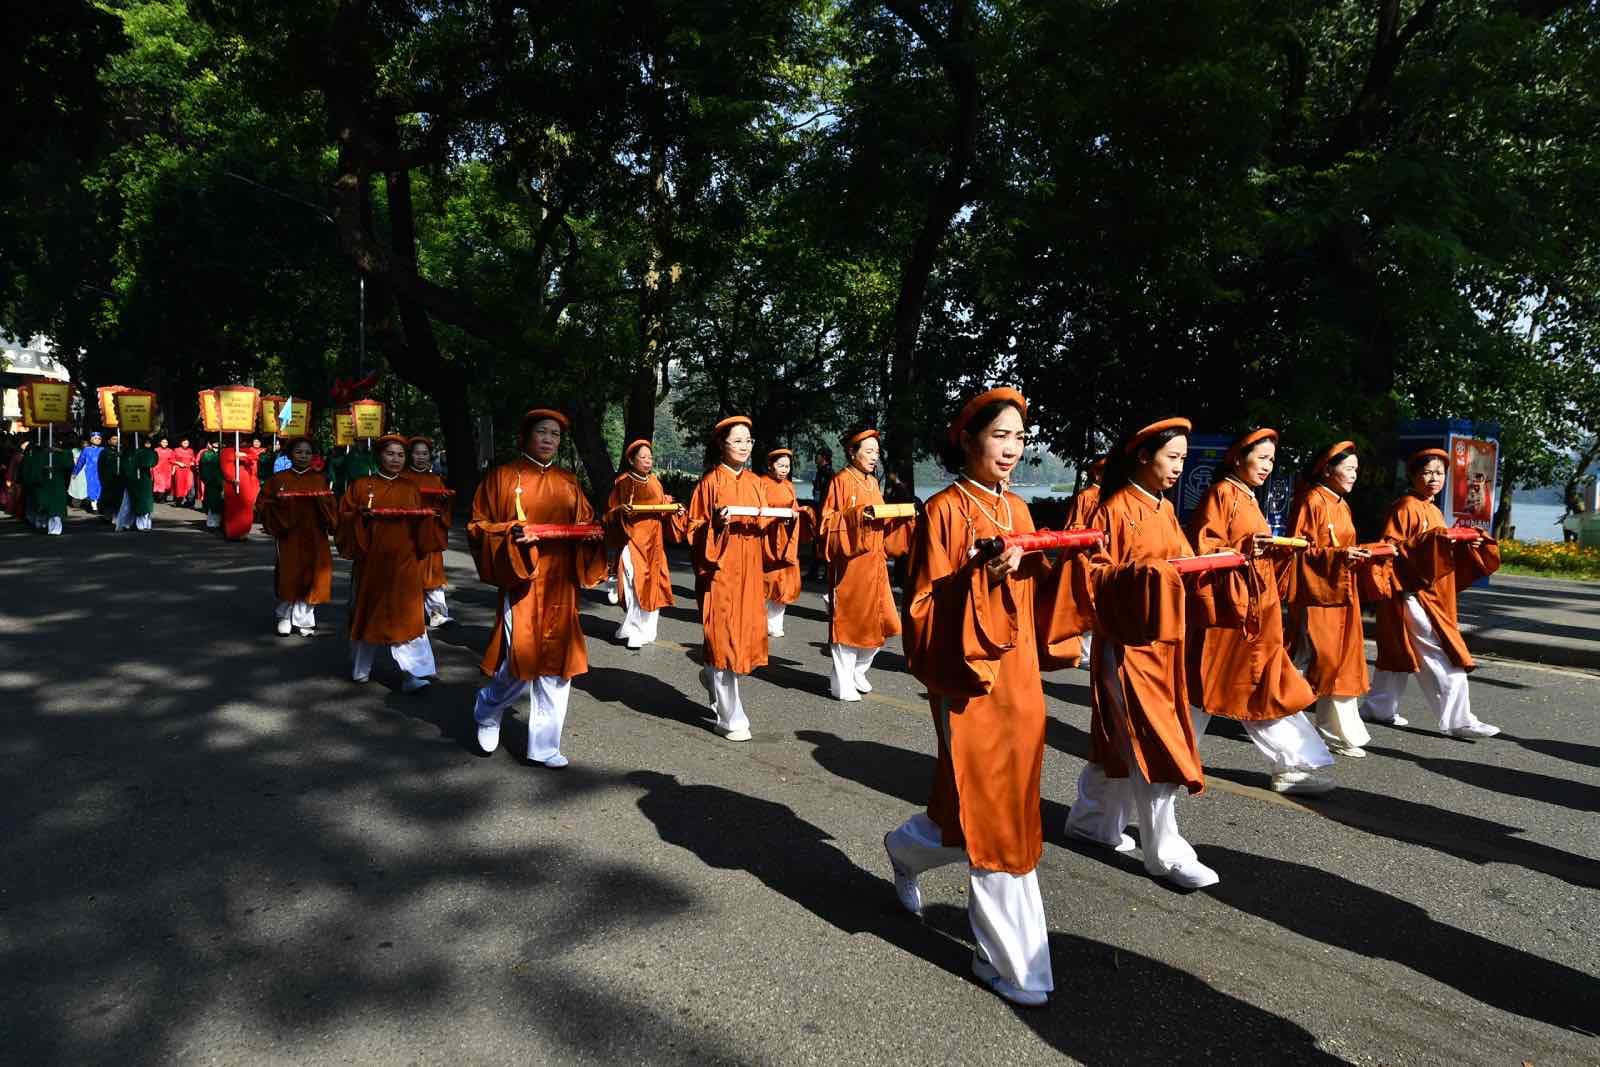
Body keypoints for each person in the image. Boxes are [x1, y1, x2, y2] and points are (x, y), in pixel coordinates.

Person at [884, 386, 1089, 1008]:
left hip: (1020, 679)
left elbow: (1034, 600)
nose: (1011, 449)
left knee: (982, 805)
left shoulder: (1021, 513)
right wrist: (979, 577)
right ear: (968, 440)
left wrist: (1058, 560)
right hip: (967, 682)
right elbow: (921, 610)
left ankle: (905, 848)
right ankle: (1015, 963)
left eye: (1019, 439)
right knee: (998, 815)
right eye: (999, 436)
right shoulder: (942, 511)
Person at [1064, 417, 1220, 890]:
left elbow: (1184, 562)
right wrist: (1143, 576)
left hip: (1164, 645)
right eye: (1172, 457)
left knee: (1118, 740)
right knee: (1154, 741)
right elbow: (1090, 576)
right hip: (1127, 645)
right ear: (1144, 456)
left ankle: (1092, 823)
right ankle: (1166, 853)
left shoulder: (1164, 509)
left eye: (1183, 459)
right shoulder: (1112, 509)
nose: (1179, 466)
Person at [1185, 429, 1335, 795]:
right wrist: (1251, 546)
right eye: (1262, 458)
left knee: (1250, 687)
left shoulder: (1247, 497)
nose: (1268, 466)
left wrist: (1274, 550)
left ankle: (1291, 764)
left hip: (1256, 612)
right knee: (1228, 688)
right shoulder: (1223, 494)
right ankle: (1168, 758)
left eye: (1272, 460)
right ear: (1238, 458)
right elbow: (1205, 549)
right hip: (1232, 614)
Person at [468, 409, 606, 766]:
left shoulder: (568, 480)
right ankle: (488, 706)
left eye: (555, 435)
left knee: (559, 663)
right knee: (520, 660)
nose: (548, 439)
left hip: (561, 580)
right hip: (523, 579)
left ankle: (544, 746)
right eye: (542, 432)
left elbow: (586, 523)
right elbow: (478, 525)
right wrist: (511, 532)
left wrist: (595, 533)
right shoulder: (502, 477)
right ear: (527, 435)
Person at [1361, 448, 1503, 737]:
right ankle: (1459, 719)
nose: (1433, 478)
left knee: (1401, 650)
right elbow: (1391, 549)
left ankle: (1379, 707)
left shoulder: (1433, 509)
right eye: (1427, 472)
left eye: (1439, 473)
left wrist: (1461, 543)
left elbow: (1436, 550)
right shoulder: (1405, 507)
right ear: (1413, 476)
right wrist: (1435, 540)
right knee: (1439, 652)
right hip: (1411, 592)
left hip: (1428, 592)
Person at [687, 415, 795, 741]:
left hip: (749, 570)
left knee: (743, 639)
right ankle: (732, 719)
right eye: (737, 440)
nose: (744, 446)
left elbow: (763, 524)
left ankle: (711, 675)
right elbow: (692, 529)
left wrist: (785, 520)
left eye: (748, 440)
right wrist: (716, 526)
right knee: (723, 640)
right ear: (722, 444)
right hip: (719, 570)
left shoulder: (754, 483)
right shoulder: (709, 483)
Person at [1283, 442, 1375, 757]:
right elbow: (1297, 549)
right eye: (1348, 468)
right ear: (1327, 469)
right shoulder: (1312, 500)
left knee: (1340, 659)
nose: (1354, 475)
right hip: (1317, 592)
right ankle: (1278, 708)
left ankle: (1335, 731)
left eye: (1356, 470)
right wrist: (1338, 555)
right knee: (1318, 658)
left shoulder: (1341, 504)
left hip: (1341, 590)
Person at [337, 433, 447, 691]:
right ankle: (360, 669)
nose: (396, 459)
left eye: (400, 455)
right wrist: (359, 517)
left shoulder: (410, 488)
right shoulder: (361, 486)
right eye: (390, 454)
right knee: (368, 613)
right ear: (379, 456)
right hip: (371, 561)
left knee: (406, 615)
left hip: (404, 560)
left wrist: (434, 514)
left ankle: (413, 673)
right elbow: (343, 518)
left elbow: (423, 524)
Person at [819, 427, 915, 701]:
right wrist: (859, 516)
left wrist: (899, 516)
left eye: (877, 452)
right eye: (869, 451)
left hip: (875, 562)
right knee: (848, 622)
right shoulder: (840, 481)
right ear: (852, 452)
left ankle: (859, 670)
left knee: (883, 620)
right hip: (850, 564)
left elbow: (881, 519)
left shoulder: (872, 483)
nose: (874, 457)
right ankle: (841, 682)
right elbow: (827, 523)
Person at [605, 439, 684, 650]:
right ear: (631, 460)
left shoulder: (655, 480)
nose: (648, 461)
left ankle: (644, 630)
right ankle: (633, 626)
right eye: (643, 457)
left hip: (654, 541)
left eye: (650, 457)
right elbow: (611, 512)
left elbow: (662, 504)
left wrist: (673, 507)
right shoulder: (623, 482)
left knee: (652, 584)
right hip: (633, 539)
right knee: (633, 582)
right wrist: (622, 510)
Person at [256, 437, 338, 635]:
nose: (303, 456)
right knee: (289, 573)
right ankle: (285, 615)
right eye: (299, 452)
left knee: (313, 574)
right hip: (289, 534)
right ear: (290, 454)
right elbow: (263, 504)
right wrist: (280, 509)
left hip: (314, 534)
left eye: (308, 452)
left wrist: (322, 503)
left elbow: (331, 508)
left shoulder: (319, 479)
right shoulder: (278, 479)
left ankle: (304, 619)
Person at [402, 435, 453, 628]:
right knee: (408, 573)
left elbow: (445, 508)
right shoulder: (403, 478)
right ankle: (409, 612)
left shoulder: (436, 479)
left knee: (433, 575)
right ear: (410, 455)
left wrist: (443, 502)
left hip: (431, 532)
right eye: (417, 453)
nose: (421, 457)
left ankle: (437, 614)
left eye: (424, 454)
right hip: (408, 533)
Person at [760, 448, 804, 638]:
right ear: (771, 466)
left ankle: (775, 624)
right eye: (781, 465)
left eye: (787, 466)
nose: (785, 469)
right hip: (766, 537)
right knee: (764, 579)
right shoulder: (761, 483)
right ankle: (759, 621)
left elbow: (793, 507)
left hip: (785, 538)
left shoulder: (789, 486)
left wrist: (796, 514)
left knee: (783, 581)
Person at [220, 436, 261, 540]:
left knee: (246, 506)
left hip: (246, 482)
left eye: (243, 440)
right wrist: (232, 478)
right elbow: (224, 467)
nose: (241, 442)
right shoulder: (225, 451)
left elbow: (255, 457)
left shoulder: (247, 450)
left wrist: (243, 455)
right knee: (232, 507)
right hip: (233, 483)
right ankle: (232, 532)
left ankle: (244, 531)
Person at [118, 436, 159, 531]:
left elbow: (151, 462)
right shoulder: (128, 452)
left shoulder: (150, 453)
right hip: (131, 481)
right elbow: (125, 466)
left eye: (149, 443)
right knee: (128, 504)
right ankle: (125, 523)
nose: (147, 444)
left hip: (144, 481)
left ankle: (144, 525)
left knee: (145, 504)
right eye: (146, 442)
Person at [806, 447, 835, 581]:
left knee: (823, 541)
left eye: (818, 456)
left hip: (824, 510)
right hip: (818, 509)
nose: (815, 458)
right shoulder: (820, 472)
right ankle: (814, 571)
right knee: (816, 541)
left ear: (823, 457)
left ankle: (826, 573)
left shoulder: (828, 473)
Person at [72, 431, 105, 513]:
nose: (97, 440)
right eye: (95, 438)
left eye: (99, 439)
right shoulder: (86, 450)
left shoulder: (103, 450)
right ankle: (94, 507)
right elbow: (80, 462)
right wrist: (75, 472)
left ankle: (99, 504)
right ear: (91, 440)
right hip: (90, 472)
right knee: (92, 488)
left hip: (101, 471)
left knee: (100, 488)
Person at [97, 433, 126, 525]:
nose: (115, 441)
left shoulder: (123, 452)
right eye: (113, 439)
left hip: (120, 479)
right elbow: (100, 467)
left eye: (117, 439)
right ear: (109, 441)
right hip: (108, 479)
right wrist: (102, 479)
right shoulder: (104, 452)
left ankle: (117, 516)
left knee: (119, 499)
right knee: (108, 498)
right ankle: (107, 516)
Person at [197, 439, 225, 530]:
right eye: (214, 442)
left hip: (223, 481)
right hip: (211, 482)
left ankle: (221, 523)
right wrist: (206, 478)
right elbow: (202, 468)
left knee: (221, 503)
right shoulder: (206, 454)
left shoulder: (224, 453)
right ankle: (211, 524)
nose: (216, 444)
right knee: (212, 502)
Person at [169, 437, 196, 507]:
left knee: (190, 485)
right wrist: (179, 463)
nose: (186, 444)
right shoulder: (176, 450)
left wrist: (192, 462)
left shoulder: (191, 450)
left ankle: (190, 501)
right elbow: (171, 460)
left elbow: (193, 459)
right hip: (180, 471)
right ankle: (178, 501)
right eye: (184, 443)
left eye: (187, 443)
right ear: (181, 443)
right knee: (179, 486)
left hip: (189, 470)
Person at [153, 436, 174, 501]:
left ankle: (163, 497)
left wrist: (173, 470)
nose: (164, 443)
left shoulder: (170, 451)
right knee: (160, 484)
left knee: (167, 485)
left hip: (167, 470)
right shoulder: (156, 450)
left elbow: (172, 460)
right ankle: (160, 498)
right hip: (158, 469)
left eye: (166, 442)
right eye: (163, 442)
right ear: (160, 443)